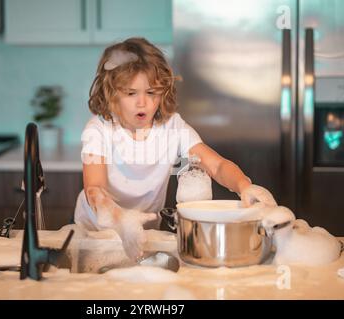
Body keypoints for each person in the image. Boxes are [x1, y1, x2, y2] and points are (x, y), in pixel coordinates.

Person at [74, 37, 277, 261]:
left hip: (144, 233)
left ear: (163, 92)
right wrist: (119, 220)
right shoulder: (98, 130)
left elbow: (217, 165)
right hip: (96, 235)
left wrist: (244, 186)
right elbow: (94, 188)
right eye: (131, 93)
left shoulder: (172, 127)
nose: (142, 102)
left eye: (151, 92)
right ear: (111, 95)